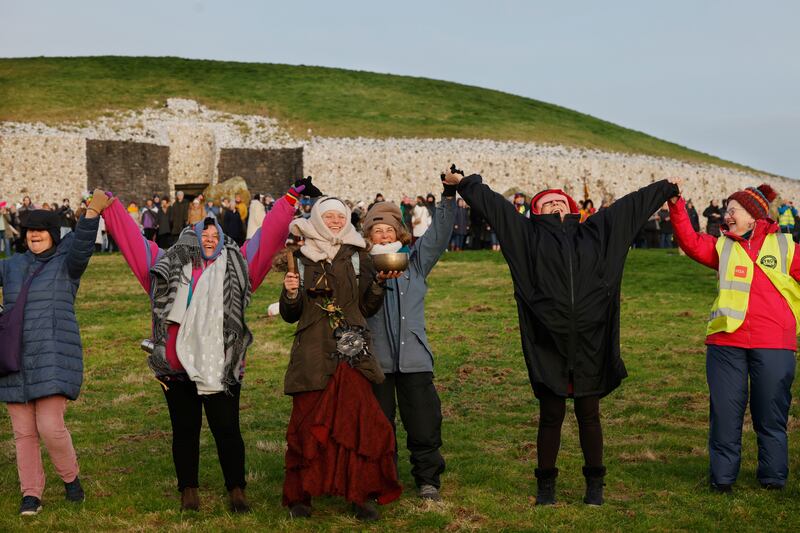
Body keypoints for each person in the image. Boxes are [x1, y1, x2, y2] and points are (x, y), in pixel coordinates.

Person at [443, 166, 680, 506]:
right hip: (547, 339)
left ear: (572, 209)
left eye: (560, 201)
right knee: (551, 415)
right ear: (535, 212)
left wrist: (665, 187)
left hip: (591, 339)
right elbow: (496, 207)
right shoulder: (526, 236)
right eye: (546, 203)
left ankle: (594, 485)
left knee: (589, 414)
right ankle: (546, 487)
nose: (555, 206)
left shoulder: (595, 232)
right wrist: (467, 183)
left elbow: (629, 208)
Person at [100, 179, 315, 512]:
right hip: (176, 366)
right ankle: (188, 490)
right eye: (204, 234)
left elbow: (268, 237)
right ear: (191, 239)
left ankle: (236, 489)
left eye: (216, 235)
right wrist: (110, 206)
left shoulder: (239, 267)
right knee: (184, 431)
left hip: (221, 364)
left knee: (227, 429)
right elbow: (132, 243)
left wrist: (288, 200)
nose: (210, 239)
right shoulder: (165, 267)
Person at [669, 184, 798, 492]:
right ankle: (722, 479)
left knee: (771, 414)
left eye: (732, 211)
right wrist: (676, 205)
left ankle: (773, 479)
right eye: (725, 210)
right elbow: (689, 241)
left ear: (753, 217)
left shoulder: (786, 246)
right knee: (725, 414)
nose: (725, 217)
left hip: (775, 342)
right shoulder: (722, 246)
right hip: (726, 342)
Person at [280, 196, 402, 521]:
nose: (334, 221)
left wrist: (377, 284)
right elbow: (290, 315)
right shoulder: (300, 257)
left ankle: (358, 493)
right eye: (328, 216)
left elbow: (366, 308)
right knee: (308, 424)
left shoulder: (359, 255)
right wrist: (291, 293)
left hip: (352, 351)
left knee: (356, 422)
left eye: (339, 216)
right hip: (312, 352)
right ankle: (301, 497)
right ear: (318, 219)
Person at [0, 192, 107, 516]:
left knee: (50, 426)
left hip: (53, 357)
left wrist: (92, 212)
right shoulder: (12, 266)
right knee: (23, 434)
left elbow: (83, 243)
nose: (34, 234)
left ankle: (70, 478)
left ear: (53, 233)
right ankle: (31, 494)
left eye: (41, 229)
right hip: (14, 359)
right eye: (30, 229)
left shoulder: (67, 265)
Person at [364, 178, 455, 502]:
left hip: (414, 357)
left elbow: (439, 235)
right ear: (368, 237)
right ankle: (383, 480)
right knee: (378, 428)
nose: (384, 234)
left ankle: (428, 479)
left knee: (424, 424)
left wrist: (447, 196)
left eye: (389, 230)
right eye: (378, 231)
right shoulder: (361, 267)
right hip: (377, 361)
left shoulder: (415, 263)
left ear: (399, 233)